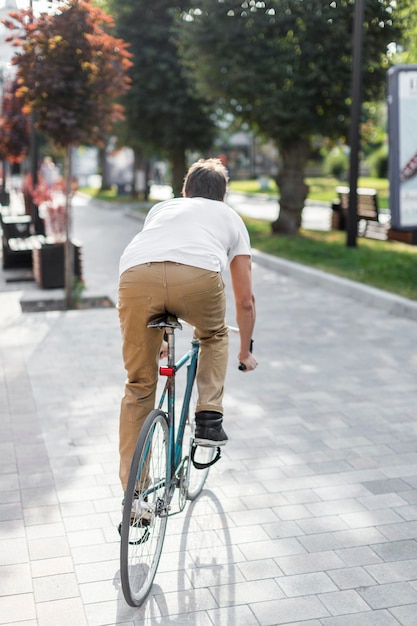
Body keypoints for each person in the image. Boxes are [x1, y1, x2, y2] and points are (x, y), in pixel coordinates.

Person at [117, 158, 258, 491]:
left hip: (135, 277)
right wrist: (245, 351)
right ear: (223, 195)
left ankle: (134, 495)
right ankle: (209, 417)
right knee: (214, 334)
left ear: (185, 191)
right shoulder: (231, 218)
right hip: (197, 280)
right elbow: (246, 300)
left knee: (138, 385)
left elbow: (162, 262)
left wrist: (157, 336)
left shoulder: (164, 208)